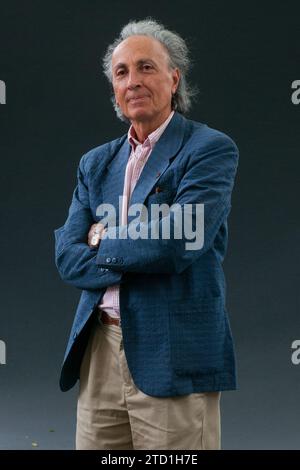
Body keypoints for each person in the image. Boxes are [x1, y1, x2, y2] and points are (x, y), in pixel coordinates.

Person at [54, 18, 239, 450]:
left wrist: (101, 238)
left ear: (174, 78)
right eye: (122, 73)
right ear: (114, 89)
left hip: (172, 349)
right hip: (99, 348)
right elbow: (66, 255)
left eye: (146, 67)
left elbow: (176, 243)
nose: (133, 81)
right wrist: (136, 239)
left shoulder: (208, 149)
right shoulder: (95, 163)